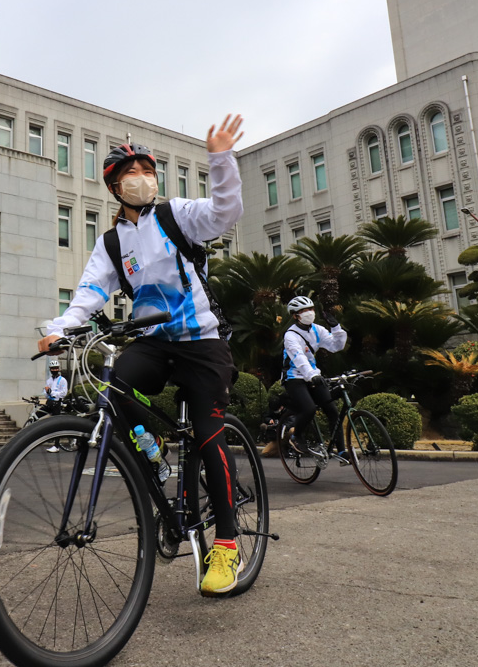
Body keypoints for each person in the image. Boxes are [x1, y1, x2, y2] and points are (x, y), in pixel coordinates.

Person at [37, 114, 246, 597]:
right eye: (129, 172)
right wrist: (58, 331)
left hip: (201, 343)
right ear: (114, 187)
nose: (140, 177)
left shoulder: (178, 216)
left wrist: (220, 157)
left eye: (146, 169)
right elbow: (88, 293)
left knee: (210, 433)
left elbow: (225, 211)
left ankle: (228, 545)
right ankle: (152, 449)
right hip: (152, 341)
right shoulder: (112, 243)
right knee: (113, 388)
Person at [281, 296, 347, 455]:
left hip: (313, 375)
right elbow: (299, 358)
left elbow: (336, 346)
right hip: (294, 377)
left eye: (311, 309)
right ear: (295, 315)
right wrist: (311, 375)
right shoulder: (291, 335)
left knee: (332, 410)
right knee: (309, 409)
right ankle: (296, 436)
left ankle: (342, 451)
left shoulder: (317, 329)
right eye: (304, 311)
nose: (309, 313)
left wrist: (336, 328)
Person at [43, 358, 69, 453]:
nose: (54, 370)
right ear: (50, 369)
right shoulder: (49, 380)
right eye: (52, 368)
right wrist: (47, 392)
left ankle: (56, 446)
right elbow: (45, 393)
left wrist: (52, 392)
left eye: (55, 368)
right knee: (38, 415)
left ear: (58, 369)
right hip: (49, 402)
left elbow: (63, 393)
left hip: (57, 403)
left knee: (56, 424)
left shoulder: (62, 380)